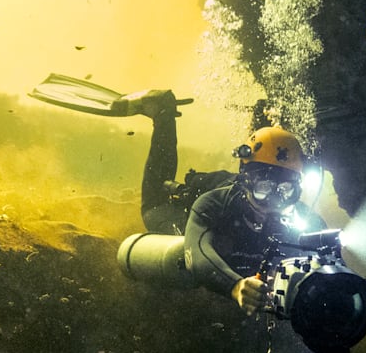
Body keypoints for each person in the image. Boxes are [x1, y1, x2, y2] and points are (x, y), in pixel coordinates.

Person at [134, 90, 327, 315]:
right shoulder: (213, 203)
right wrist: (235, 287)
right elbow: (197, 253)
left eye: (285, 191)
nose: (273, 202)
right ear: (246, 182)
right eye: (263, 188)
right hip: (191, 219)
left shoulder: (305, 220)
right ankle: (163, 115)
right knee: (152, 210)